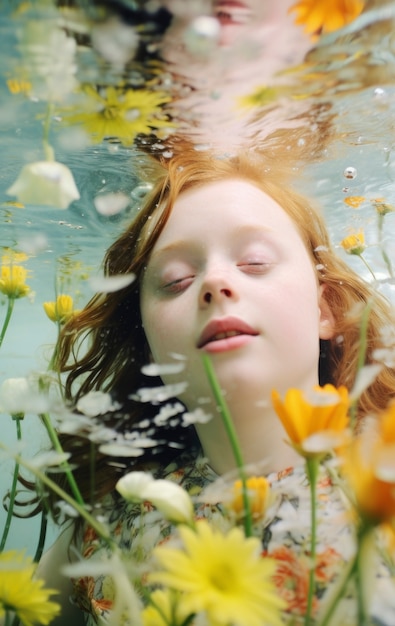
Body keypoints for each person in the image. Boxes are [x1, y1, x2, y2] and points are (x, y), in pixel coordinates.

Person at [37, 149, 395, 625]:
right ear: (148, 345)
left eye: (254, 261)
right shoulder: (100, 533)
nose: (215, 282)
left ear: (324, 310)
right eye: (175, 279)